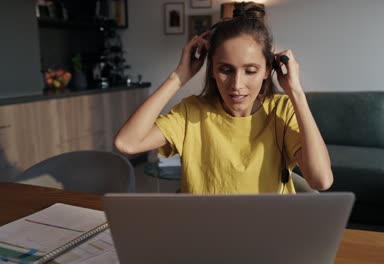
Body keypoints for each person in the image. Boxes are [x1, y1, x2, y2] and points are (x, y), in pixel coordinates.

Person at [114, 2, 333, 194]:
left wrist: (295, 91)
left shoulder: (282, 109)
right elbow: (127, 144)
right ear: (211, 69)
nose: (237, 86)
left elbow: (321, 180)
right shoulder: (191, 112)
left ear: (267, 70)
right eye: (226, 70)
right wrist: (178, 77)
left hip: (268, 230)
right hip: (206, 233)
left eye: (250, 70)